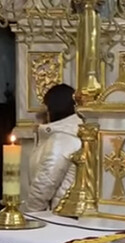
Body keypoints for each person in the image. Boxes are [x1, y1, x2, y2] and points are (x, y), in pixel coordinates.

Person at [25, 84, 82, 212]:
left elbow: (44, 183)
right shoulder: (74, 131)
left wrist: (31, 215)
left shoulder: (62, 139)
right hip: (67, 212)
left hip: (57, 215)